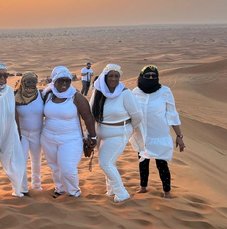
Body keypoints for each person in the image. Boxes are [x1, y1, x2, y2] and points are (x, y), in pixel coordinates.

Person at [41, 66, 97, 198]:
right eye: (61, 80)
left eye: (68, 80)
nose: (64, 83)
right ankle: (60, 189)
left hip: (71, 139)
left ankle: (73, 192)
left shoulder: (77, 97)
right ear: (54, 81)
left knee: (67, 168)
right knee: (55, 167)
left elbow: (88, 118)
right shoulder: (47, 95)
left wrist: (93, 137)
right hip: (48, 138)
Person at [90, 64, 142, 202]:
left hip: (119, 133)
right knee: (109, 162)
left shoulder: (125, 93)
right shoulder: (98, 92)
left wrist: (128, 129)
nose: (113, 79)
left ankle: (122, 193)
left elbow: (137, 115)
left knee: (105, 163)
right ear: (105, 77)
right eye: (111, 76)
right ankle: (111, 190)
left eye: (116, 76)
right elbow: (91, 111)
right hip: (101, 133)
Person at [132, 65, 185, 198]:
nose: (151, 78)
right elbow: (130, 113)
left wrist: (179, 136)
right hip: (142, 135)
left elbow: (172, 114)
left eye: (154, 76)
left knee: (162, 164)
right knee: (143, 163)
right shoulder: (135, 92)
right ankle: (143, 187)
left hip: (159, 135)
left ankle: (167, 192)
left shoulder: (165, 92)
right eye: (147, 76)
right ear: (141, 77)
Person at [0, 61, 25, 197]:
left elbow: (14, 112)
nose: (3, 78)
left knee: (15, 160)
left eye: (5, 75)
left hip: (9, 131)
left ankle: (18, 190)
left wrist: (17, 132)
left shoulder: (8, 91)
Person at [14, 71, 44, 192]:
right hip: (23, 135)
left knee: (36, 160)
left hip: (37, 134)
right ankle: (21, 187)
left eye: (34, 82)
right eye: (28, 82)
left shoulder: (42, 95)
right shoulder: (15, 96)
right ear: (23, 82)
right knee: (22, 160)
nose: (31, 85)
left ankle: (36, 185)